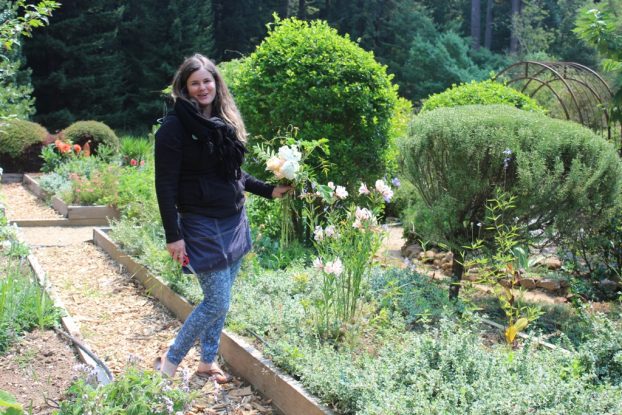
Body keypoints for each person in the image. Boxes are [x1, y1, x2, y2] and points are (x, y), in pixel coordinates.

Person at [153, 53, 290, 382]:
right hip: (200, 224)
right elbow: (165, 185)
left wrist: (268, 190)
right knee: (216, 300)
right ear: (184, 89)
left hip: (234, 220)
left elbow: (233, 174)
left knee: (221, 301)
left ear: (216, 83)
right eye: (195, 83)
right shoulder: (173, 129)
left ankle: (207, 361)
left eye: (207, 81)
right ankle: (169, 364)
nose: (203, 88)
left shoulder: (223, 121)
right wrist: (174, 235)